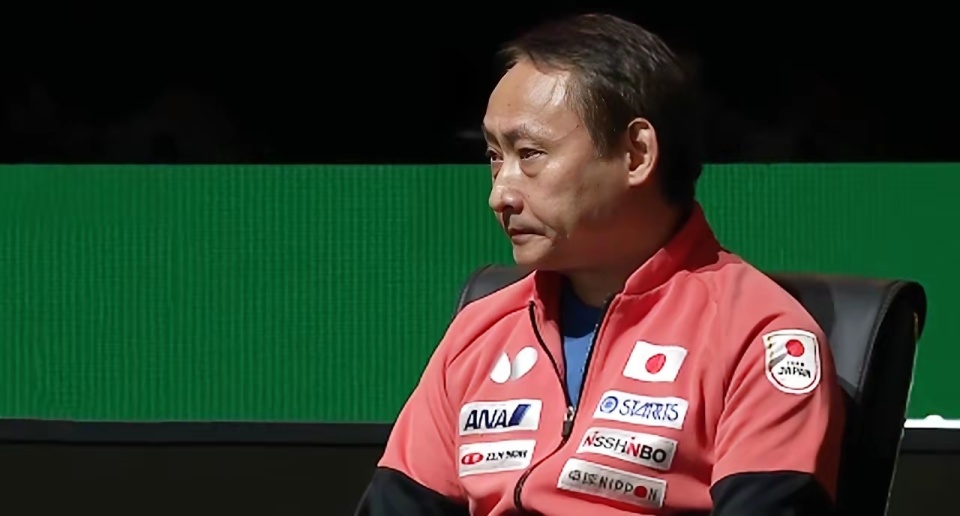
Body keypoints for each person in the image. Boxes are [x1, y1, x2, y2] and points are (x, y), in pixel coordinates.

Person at [356, 13, 844, 516]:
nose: (500, 194)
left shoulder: (758, 336)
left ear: (636, 154)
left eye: (530, 153)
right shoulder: (479, 333)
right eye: (495, 156)